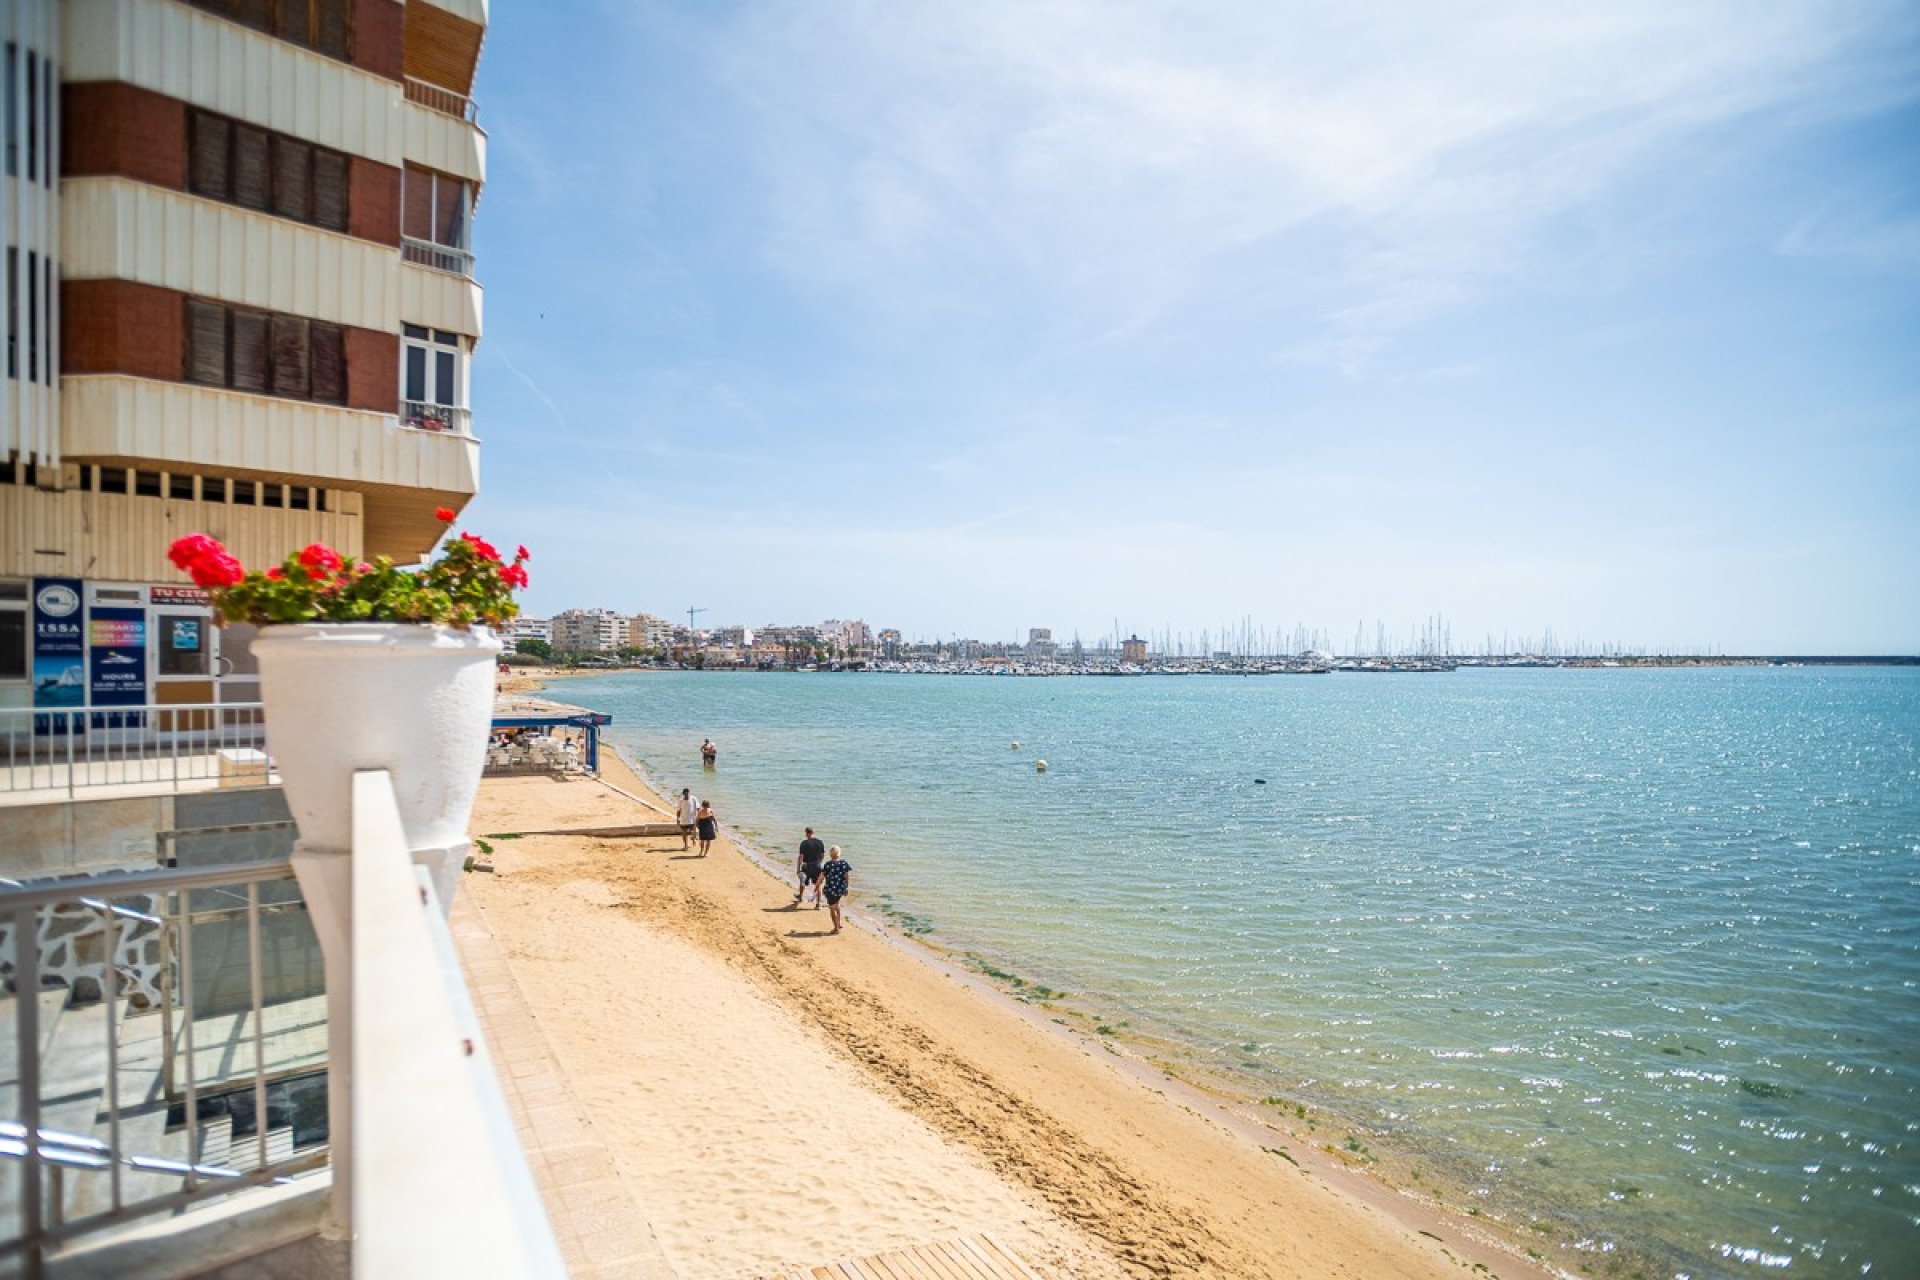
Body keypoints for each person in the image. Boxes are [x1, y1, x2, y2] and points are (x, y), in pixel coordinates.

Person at [820, 845, 852, 934]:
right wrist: (846, 887)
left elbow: (822, 876)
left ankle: (836, 928)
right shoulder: (844, 863)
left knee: (832, 908)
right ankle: (838, 923)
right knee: (836, 905)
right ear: (839, 854)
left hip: (830, 889)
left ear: (830, 854)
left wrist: (817, 885)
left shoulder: (828, 864)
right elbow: (847, 877)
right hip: (840, 889)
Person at [794, 827, 826, 906]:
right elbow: (822, 855)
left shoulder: (804, 843)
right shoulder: (820, 842)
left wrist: (798, 868)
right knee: (818, 885)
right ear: (813, 832)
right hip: (817, 866)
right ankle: (818, 903)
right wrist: (819, 863)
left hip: (807, 866)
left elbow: (801, 856)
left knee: (802, 881)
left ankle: (800, 897)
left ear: (806, 833)